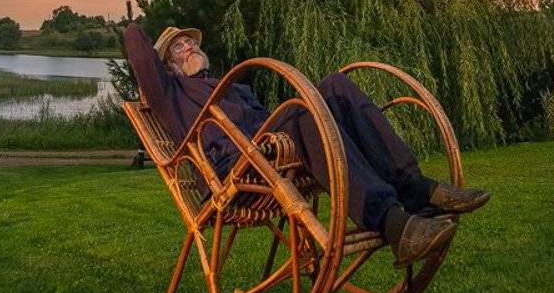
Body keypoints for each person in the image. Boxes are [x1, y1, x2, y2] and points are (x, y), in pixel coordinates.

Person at [123, 20, 490, 267]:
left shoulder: (233, 87)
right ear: (166, 66)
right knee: (303, 112)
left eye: (189, 42)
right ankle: (392, 223)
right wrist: (135, 24)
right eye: (177, 48)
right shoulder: (171, 95)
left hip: (269, 154)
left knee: (334, 86)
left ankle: (415, 187)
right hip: (236, 173)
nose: (187, 47)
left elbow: (270, 120)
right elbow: (137, 49)